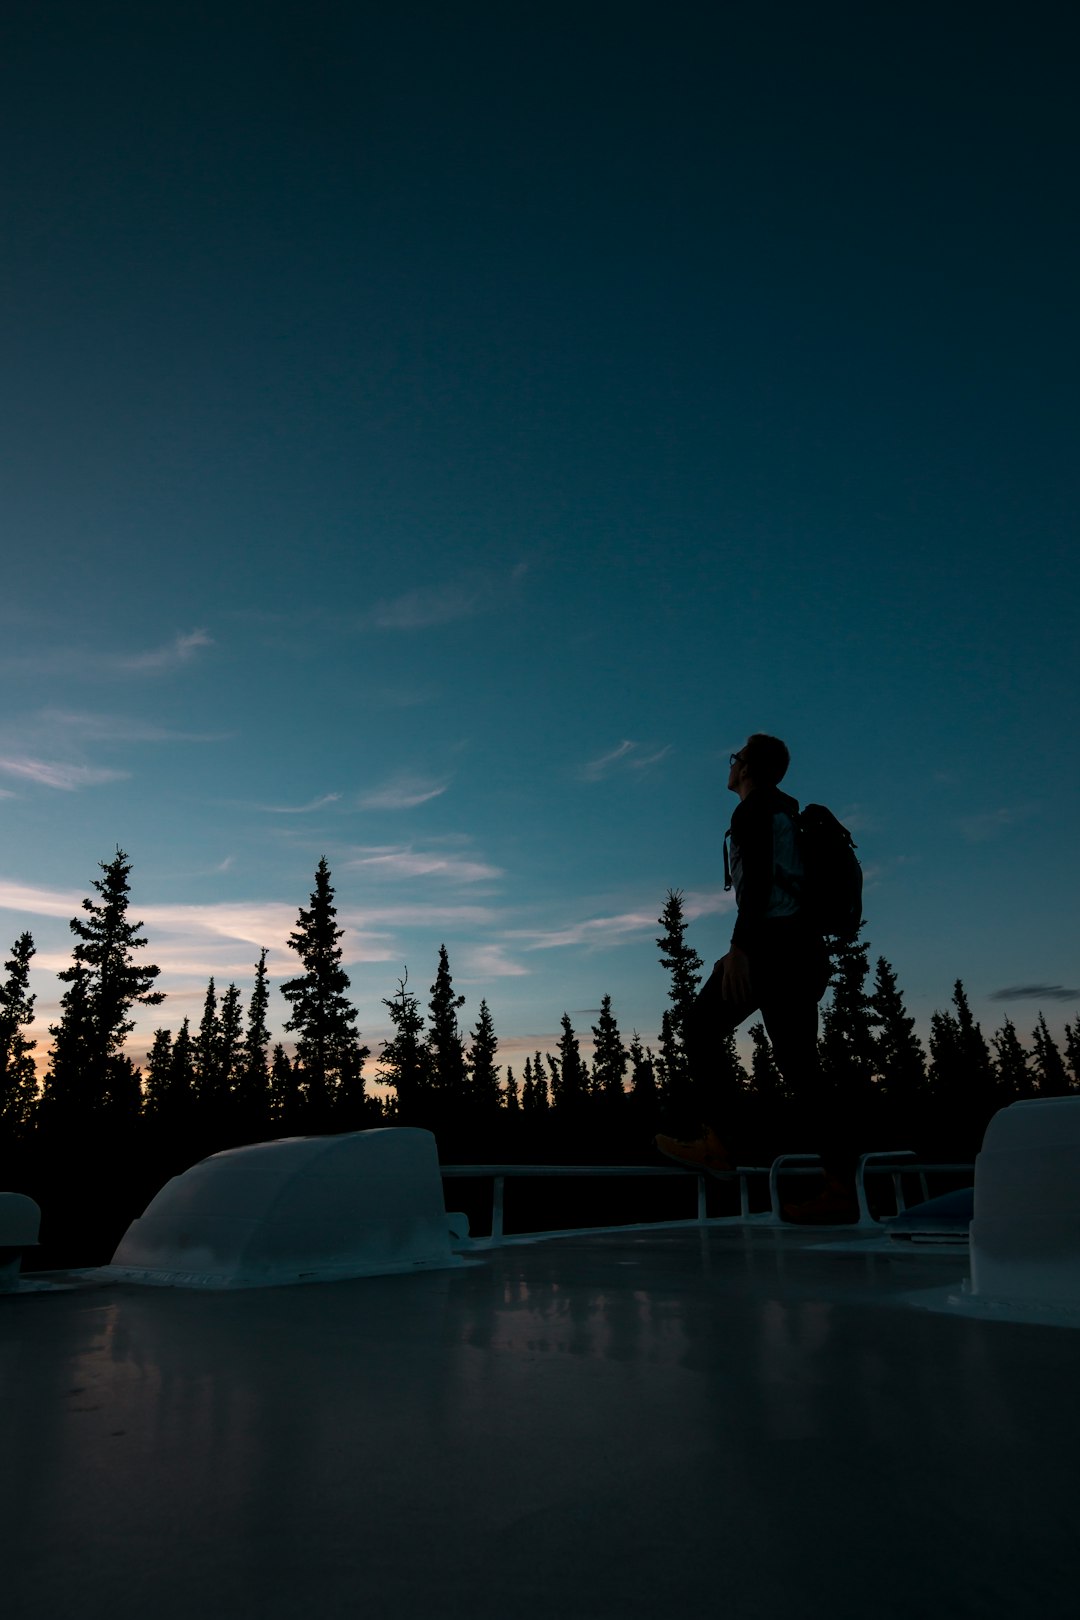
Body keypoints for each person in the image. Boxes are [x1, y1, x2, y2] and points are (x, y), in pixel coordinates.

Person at [655, 733, 859, 1222]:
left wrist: (740, 949)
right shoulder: (786, 813)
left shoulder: (754, 812)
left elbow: (762, 888)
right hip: (801, 951)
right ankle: (839, 1188)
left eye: (735, 759)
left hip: (774, 947)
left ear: (747, 769)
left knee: (701, 1027)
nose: (730, 766)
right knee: (802, 1069)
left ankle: (720, 1145)